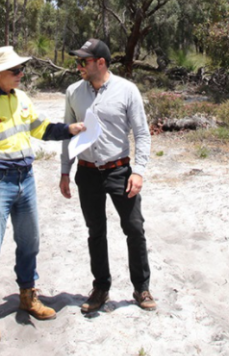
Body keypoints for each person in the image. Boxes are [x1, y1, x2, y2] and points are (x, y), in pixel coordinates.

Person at [0, 46, 85, 343]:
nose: (21, 74)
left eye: (21, 69)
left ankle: (28, 296)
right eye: (16, 71)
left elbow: (41, 129)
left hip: (26, 181)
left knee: (30, 243)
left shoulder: (22, 98)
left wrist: (69, 129)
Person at [59, 39, 156, 314]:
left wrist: (138, 171)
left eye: (83, 61)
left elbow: (141, 133)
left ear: (100, 62)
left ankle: (141, 287)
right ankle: (101, 287)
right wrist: (65, 171)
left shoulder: (127, 91)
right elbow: (67, 134)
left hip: (120, 171)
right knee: (95, 231)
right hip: (87, 173)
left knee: (134, 228)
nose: (78, 66)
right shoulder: (73, 92)